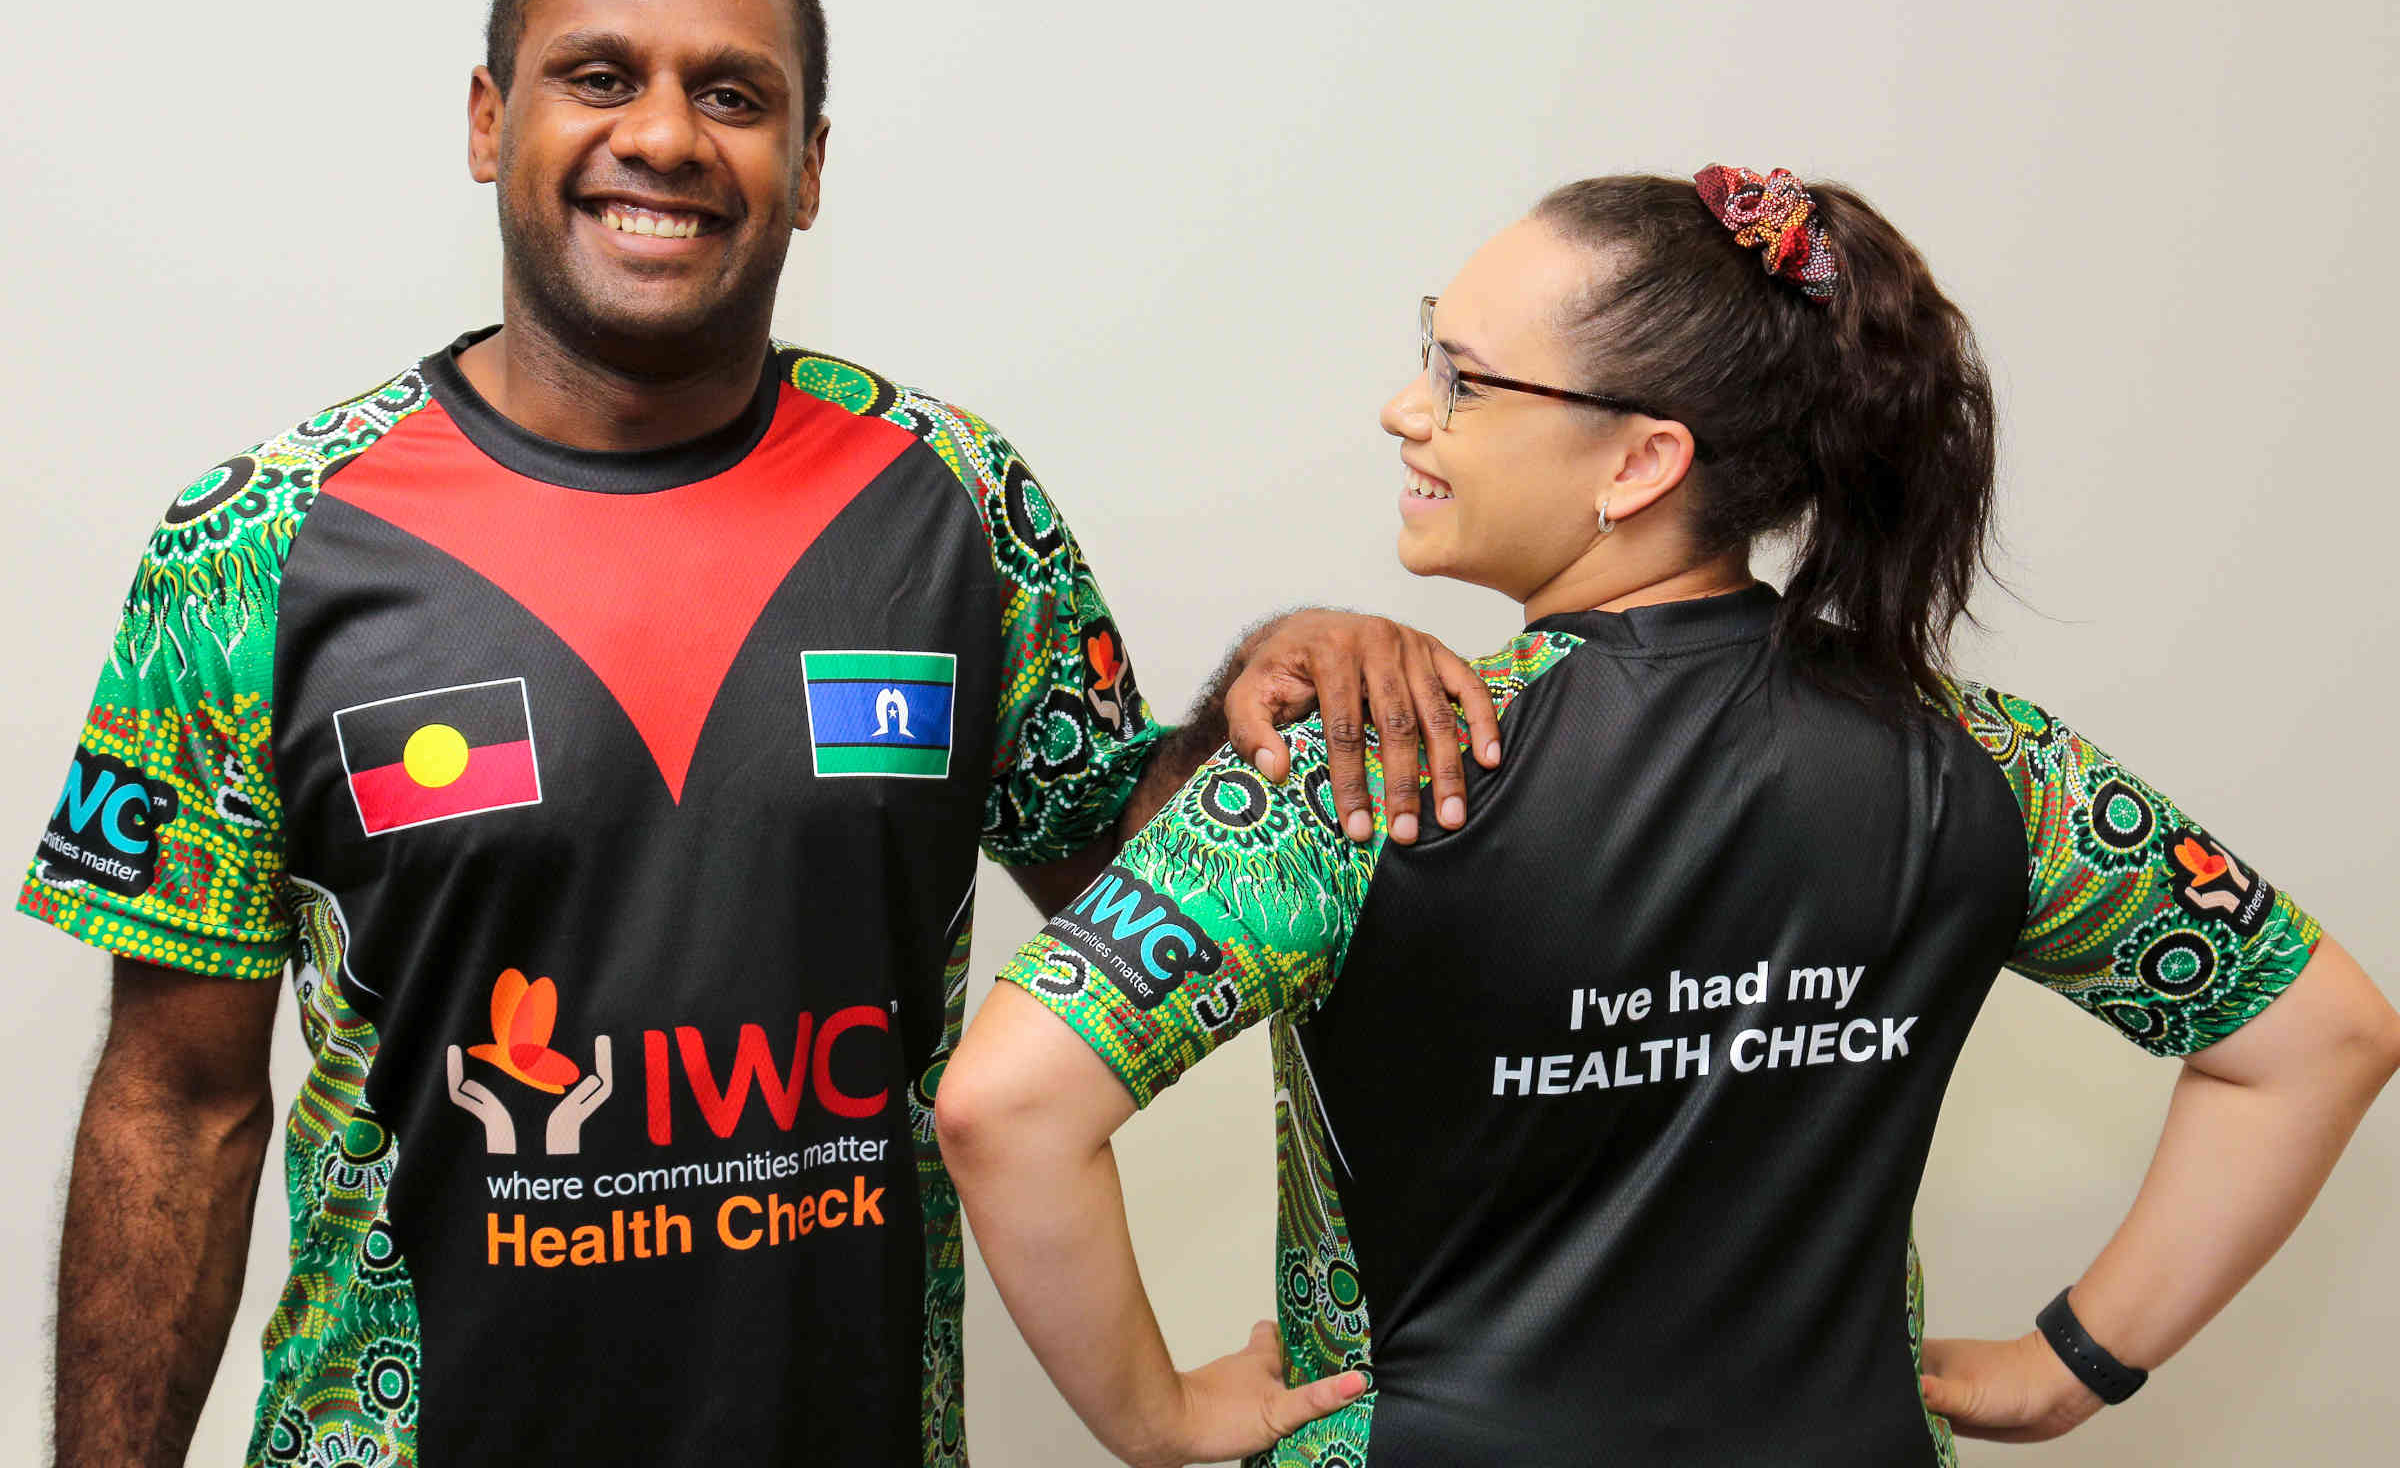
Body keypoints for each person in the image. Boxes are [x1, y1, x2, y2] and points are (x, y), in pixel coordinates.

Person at [20, 0, 1510, 1465]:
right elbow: (176, 1104)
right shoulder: (257, 548)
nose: (665, 135)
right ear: (488, 121)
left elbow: (1122, 876)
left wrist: (1275, 684)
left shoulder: (953, 502)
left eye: (733, 97)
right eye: (601, 76)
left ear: (806, 169)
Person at [936, 166, 2400, 1466]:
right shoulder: (1987, 765)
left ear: (1643, 461)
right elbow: (2320, 1034)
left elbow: (1007, 1103)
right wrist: (2078, 1362)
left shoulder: (1366, 781)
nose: (1408, 408)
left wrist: (1154, 1422)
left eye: (1465, 380)